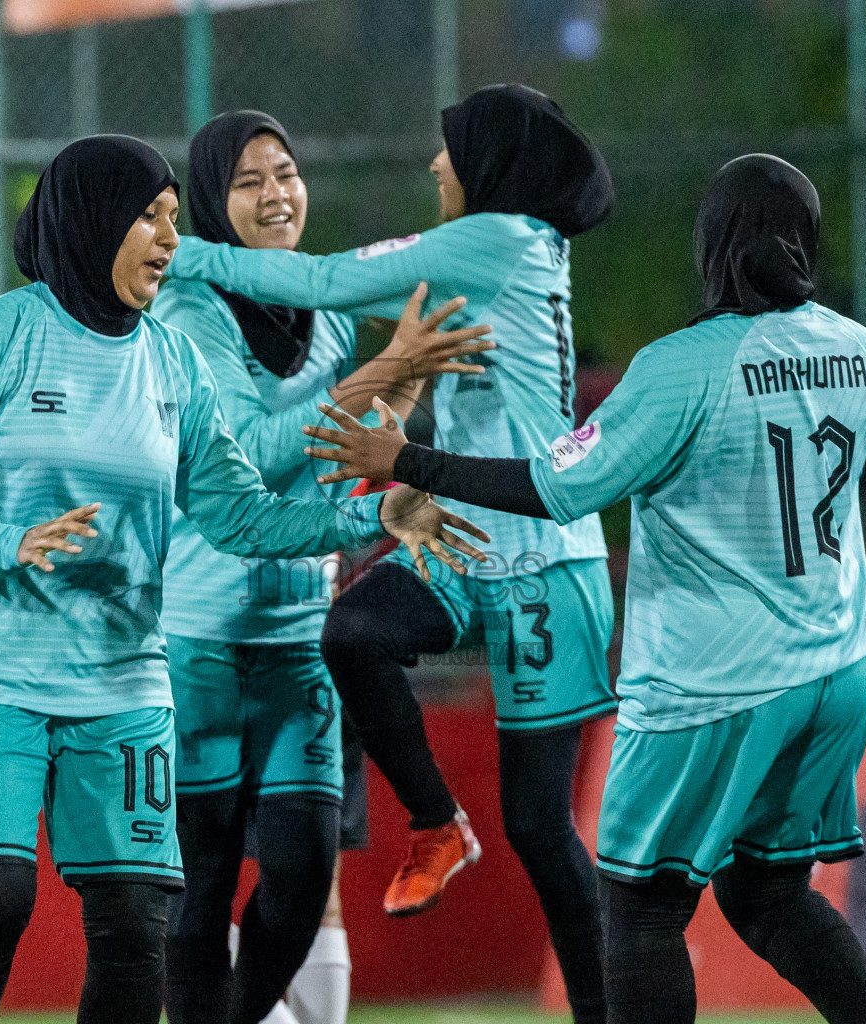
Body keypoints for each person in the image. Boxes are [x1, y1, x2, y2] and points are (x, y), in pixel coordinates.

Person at [300, 153, 866, 1024]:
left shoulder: (680, 367)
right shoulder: (851, 345)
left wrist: (404, 459)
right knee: (766, 892)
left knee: (639, 911)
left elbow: (553, 488)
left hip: (714, 686)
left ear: (712, 246)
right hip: (839, 671)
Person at [0, 135, 487, 1024]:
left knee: (133, 924)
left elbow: (242, 517)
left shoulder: (170, 360)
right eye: (144, 219)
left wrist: (370, 516)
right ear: (87, 223)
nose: (165, 238)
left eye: (167, 217)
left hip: (124, 686)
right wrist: (4, 543)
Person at [164, 82, 617, 1024]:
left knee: (539, 826)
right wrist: (398, 402)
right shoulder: (196, 319)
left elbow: (327, 287)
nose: (434, 165)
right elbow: (272, 446)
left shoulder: (491, 240)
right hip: (416, 548)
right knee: (356, 634)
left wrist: (177, 249)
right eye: (253, 179)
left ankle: (598, 1010)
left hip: (538, 548)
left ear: (487, 164)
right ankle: (436, 824)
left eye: (448, 150)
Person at [153, 111, 492, 1024]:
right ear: (212, 204)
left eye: (287, 173)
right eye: (250, 181)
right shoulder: (188, 313)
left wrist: (406, 385)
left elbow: (347, 450)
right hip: (200, 641)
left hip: (302, 638)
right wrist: (385, 364)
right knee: (201, 888)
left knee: (302, 878)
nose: (277, 195)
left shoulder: (327, 313)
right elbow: (250, 462)